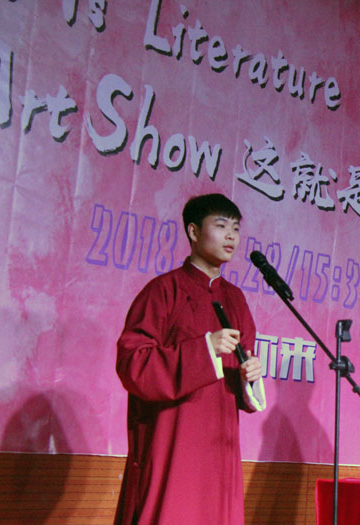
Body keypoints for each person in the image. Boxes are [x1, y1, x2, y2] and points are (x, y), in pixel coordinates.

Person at [114, 193, 266, 525]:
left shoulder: (236, 299)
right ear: (194, 232)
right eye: (221, 225)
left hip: (220, 446)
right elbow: (133, 364)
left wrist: (249, 376)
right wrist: (205, 348)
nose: (231, 236)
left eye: (236, 228)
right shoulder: (163, 291)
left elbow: (244, 363)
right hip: (173, 443)